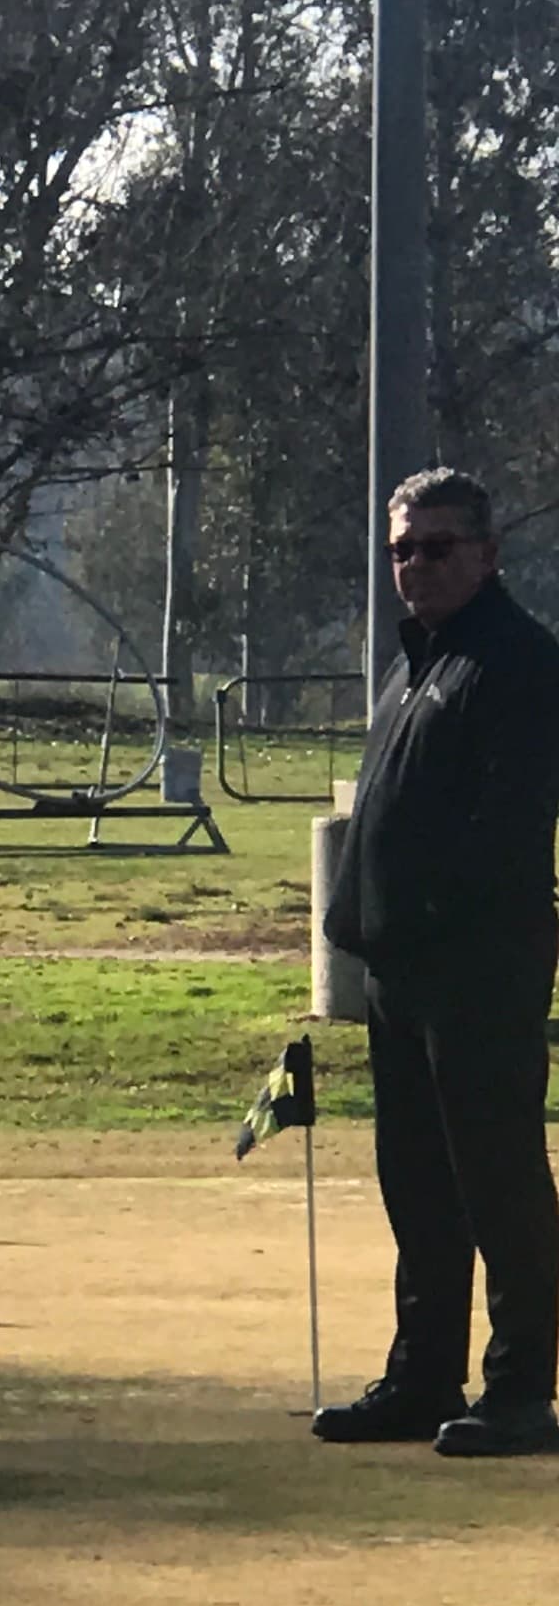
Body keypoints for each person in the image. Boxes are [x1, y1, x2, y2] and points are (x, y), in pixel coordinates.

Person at [316, 466, 559, 1457]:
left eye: (438, 546)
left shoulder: (518, 664)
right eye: (401, 548)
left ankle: (519, 1389)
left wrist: (432, 910)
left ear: (488, 553)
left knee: (496, 1176)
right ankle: (423, 1373)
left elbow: (503, 827)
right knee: (416, 1180)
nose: (415, 565)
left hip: (479, 965)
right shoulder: (416, 662)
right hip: (399, 967)